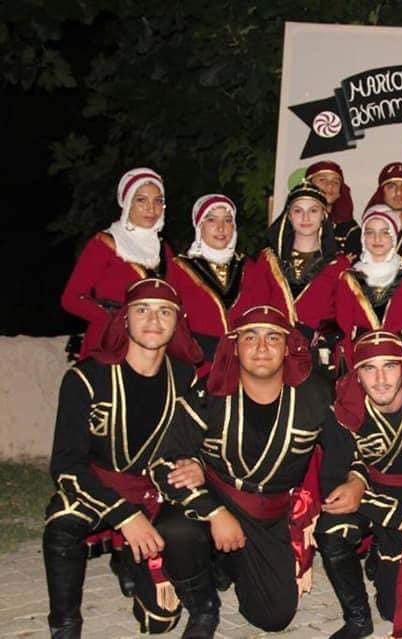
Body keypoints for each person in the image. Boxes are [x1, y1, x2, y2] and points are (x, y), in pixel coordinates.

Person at [149, 305, 369, 637]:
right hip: (217, 497)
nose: (262, 348)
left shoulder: (314, 393)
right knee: (177, 529)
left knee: (274, 617)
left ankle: (226, 561)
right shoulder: (210, 392)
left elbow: (349, 447)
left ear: (288, 347)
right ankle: (203, 609)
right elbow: (164, 461)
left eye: (273, 338)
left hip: (270, 514)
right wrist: (214, 512)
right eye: (250, 337)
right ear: (235, 347)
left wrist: (356, 480)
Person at [43, 278, 201, 637]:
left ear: (178, 322)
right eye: (142, 310)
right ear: (124, 319)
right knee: (62, 520)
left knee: (160, 622)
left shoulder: (185, 377)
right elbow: (66, 465)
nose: (153, 320)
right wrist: (125, 515)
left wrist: (195, 464)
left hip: (154, 490)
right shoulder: (86, 378)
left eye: (165, 312)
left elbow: (194, 444)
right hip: (99, 486)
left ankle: (130, 558)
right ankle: (65, 624)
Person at [317, 330, 402, 639]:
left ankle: (383, 552)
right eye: (368, 368)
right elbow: (333, 486)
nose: (380, 379)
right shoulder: (342, 410)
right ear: (356, 375)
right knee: (332, 528)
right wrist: (396, 515)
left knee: (393, 609)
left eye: (389, 366)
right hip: (372, 497)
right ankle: (358, 618)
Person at [61, 168, 175, 360]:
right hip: (109, 343)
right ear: (127, 202)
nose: (151, 208)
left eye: (158, 201)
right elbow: (71, 298)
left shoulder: (164, 250)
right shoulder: (104, 243)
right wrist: (112, 320)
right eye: (141, 200)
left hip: (152, 346)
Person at [258, 181, 352, 375]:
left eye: (313, 210)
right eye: (298, 211)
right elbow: (256, 309)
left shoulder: (339, 266)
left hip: (318, 360)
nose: (306, 217)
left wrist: (325, 336)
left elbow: (345, 320)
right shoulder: (268, 261)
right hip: (272, 358)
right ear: (289, 216)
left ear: (324, 215)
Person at [168, 194, 266, 377]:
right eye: (211, 219)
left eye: (227, 220)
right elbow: (172, 323)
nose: (221, 227)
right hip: (197, 367)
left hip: (244, 367)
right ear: (199, 225)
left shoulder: (250, 268)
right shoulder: (179, 269)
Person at [335, 205, 402, 369]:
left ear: (394, 237)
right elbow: (343, 329)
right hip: (362, 363)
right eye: (370, 232)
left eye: (385, 232)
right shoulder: (348, 279)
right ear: (363, 237)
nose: (377, 238)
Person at [305, 160, 361, 257]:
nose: (330, 185)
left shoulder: (349, 229)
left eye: (336, 182)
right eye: (322, 180)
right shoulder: (294, 223)